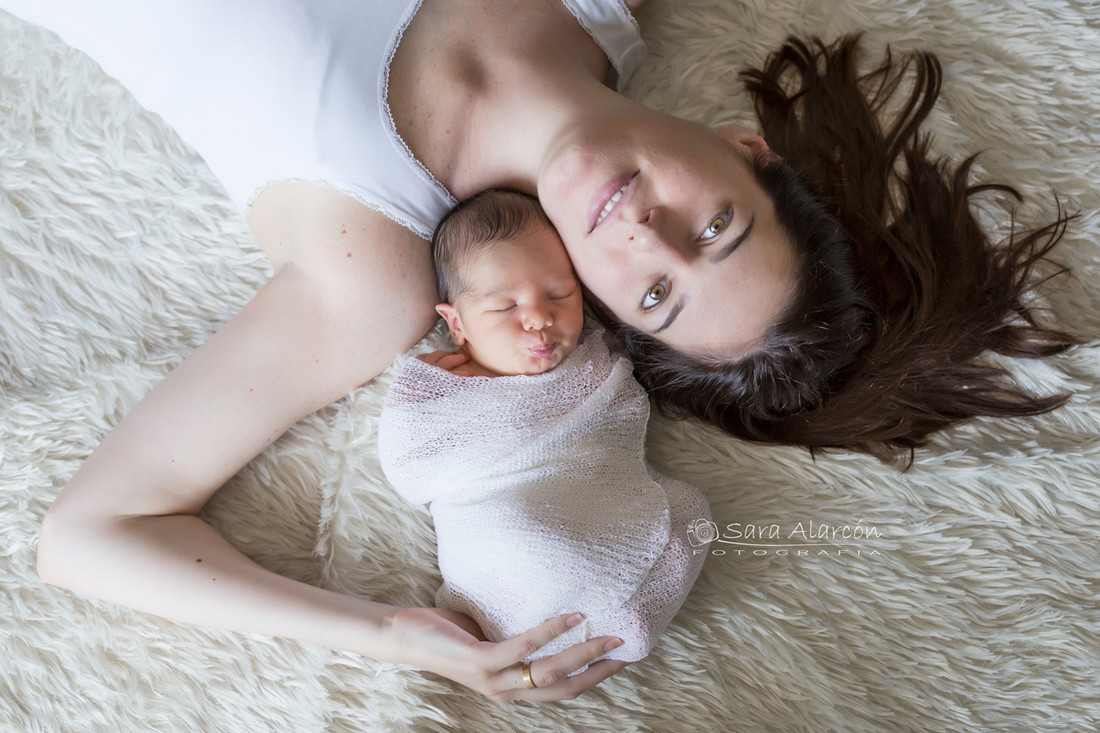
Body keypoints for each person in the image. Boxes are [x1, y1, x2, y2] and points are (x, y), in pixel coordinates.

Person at [4, 0, 1072, 702]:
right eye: (716, 227)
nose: (643, 234)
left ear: (603, 313)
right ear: (745, 150)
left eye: (653, 289)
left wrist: (395, 636)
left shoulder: (375, 265)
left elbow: (93, 534)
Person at [378, 190, 709, 677]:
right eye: (504, 306)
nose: (539, 317)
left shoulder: (596, 360)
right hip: (506, 546)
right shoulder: (442, 395)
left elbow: (620, 416)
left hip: (599, 508)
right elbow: (409, 473)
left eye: (559, 293)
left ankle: (629, 612)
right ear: (456, 323)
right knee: (524, 540)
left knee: (692, 513)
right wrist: (414, 397)